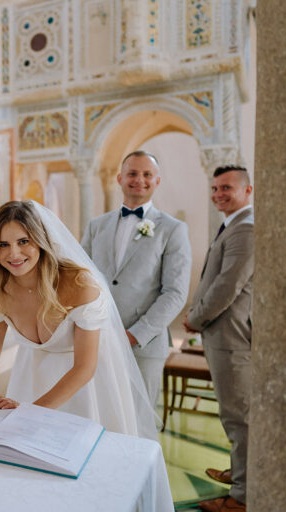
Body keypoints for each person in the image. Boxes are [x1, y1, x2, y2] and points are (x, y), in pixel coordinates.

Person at [0, 200, 158, 439]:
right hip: (33, 377)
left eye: (23, 241)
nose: (13, 253)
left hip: (85, 383)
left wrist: (30, 411)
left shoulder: (79, 284)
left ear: (41, 240)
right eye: (3, 244)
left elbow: (85, 367)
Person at [81, 150, 191, 413]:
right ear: (120, 178)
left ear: (157, 181)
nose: (138, 180)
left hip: (144, 345)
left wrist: (134, 335)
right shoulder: (96, 226)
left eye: (147, 174)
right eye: (132, 173)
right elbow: (80, 279)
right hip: (99, 339)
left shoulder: (173, 229)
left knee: (140, 420)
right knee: (101, 414)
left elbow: (175, 293)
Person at [183, 165, 253, 512]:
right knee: (233, 411)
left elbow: (229, 284)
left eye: (226, 188)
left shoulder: (247, 227)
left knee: (238, 415)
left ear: (247, 191)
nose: (218, 195)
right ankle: (240, 473)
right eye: (214, 189)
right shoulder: (234, 224)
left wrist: (196, 318)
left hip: (232, 334)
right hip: (223, 332)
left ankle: (241, 498)